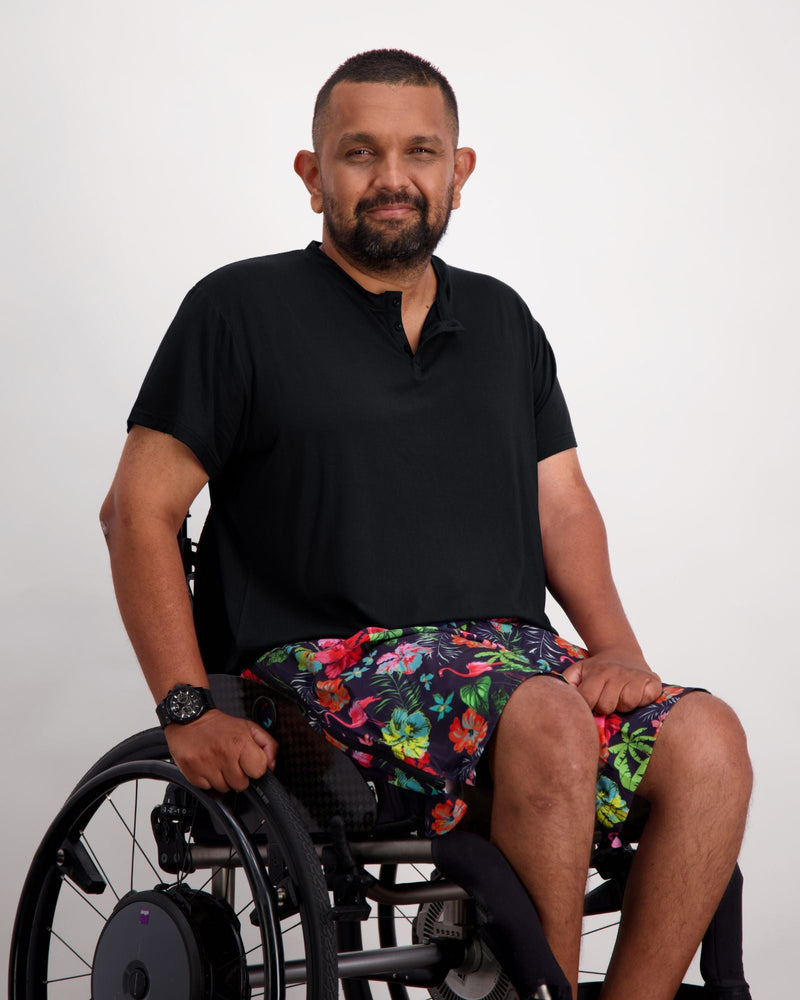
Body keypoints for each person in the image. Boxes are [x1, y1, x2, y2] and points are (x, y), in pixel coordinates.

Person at [100, 48, 752, 1000]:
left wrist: (617, 653)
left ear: (460, 171)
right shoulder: (237, 311)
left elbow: (561, 505)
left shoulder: (501, 321)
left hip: (511, 662)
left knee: (709, 739)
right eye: (360, 153)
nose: (393, 178)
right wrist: (187, 706)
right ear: (312, 173)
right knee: (547, 719)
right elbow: (136, 512)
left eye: (420, 152)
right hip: (324, 670)